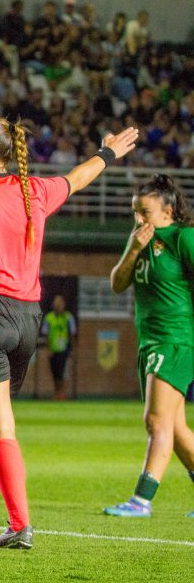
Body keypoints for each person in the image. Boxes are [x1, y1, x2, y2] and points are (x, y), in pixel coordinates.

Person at [0, 116, 139, 549]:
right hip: (25, 319)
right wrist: (107, 152)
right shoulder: (35, 192)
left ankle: (19, 526)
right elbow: (79, 177)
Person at [103, 175, 194, 518]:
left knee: (156, 420)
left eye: (145, 212)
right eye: (134, 212)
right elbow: (116, 284)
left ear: (168, 211)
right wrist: (133, 248)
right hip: (152, 340)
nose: (138, 219)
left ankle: (141, 499)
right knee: (176, 426)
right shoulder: (139, 241)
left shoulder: (183, 238)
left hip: (176, 339)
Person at [41, 295, 77, 400]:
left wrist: (72, 349)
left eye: (60, 303)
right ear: (53, 305)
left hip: (64, 349)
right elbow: (46, 334)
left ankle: (61, 394)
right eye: (57, 303)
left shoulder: (68, 317)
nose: (58, 306)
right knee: (55, 373)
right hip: (53, 349)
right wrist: (48, 349)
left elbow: (72, 333)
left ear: (64, 305)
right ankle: (57, 393)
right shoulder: (49, 318)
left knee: (62, 373)